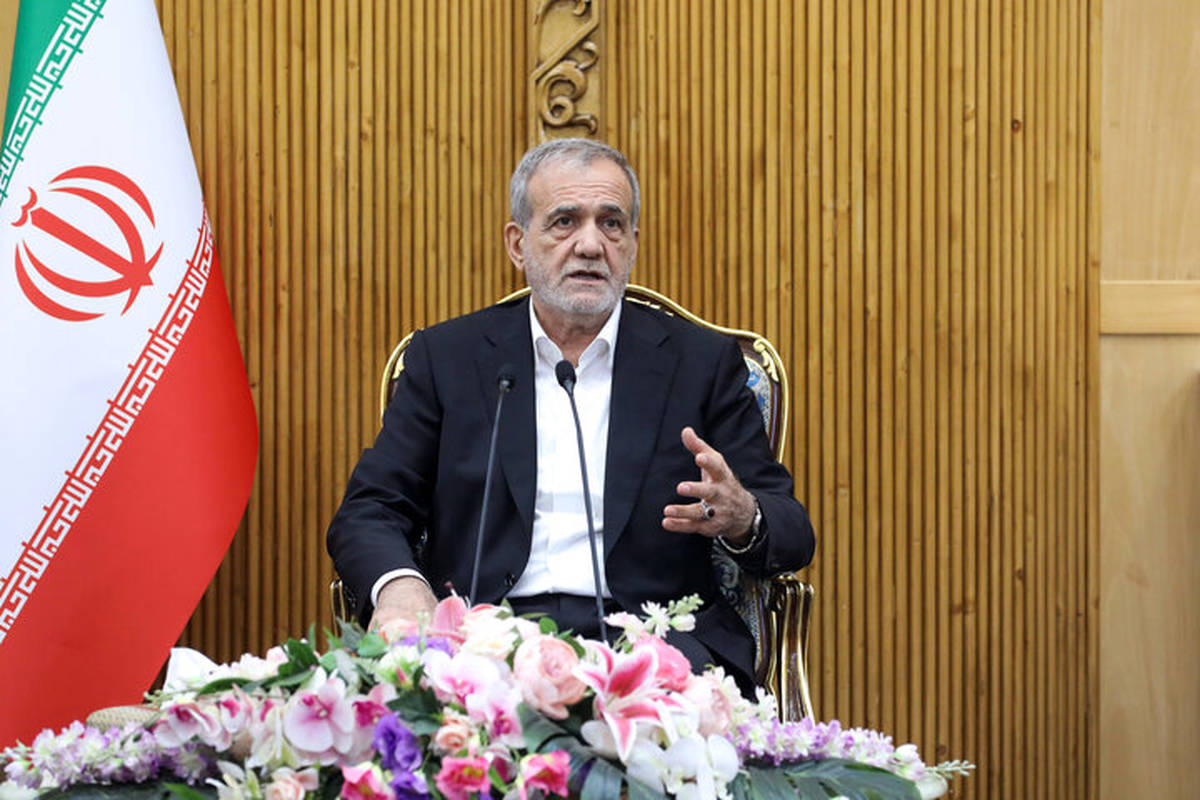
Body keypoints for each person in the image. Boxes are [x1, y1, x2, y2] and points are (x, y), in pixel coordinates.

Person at [327, 138, 815, 693]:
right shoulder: (448, 360)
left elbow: (792, 530)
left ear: (632, 243)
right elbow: (370, 509)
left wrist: (745, 514)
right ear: (518, 243)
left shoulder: (700, 364)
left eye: (611, 223)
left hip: (653, 644)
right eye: (565, 221)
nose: (590, 244)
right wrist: (399, 587)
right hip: (483, 641)